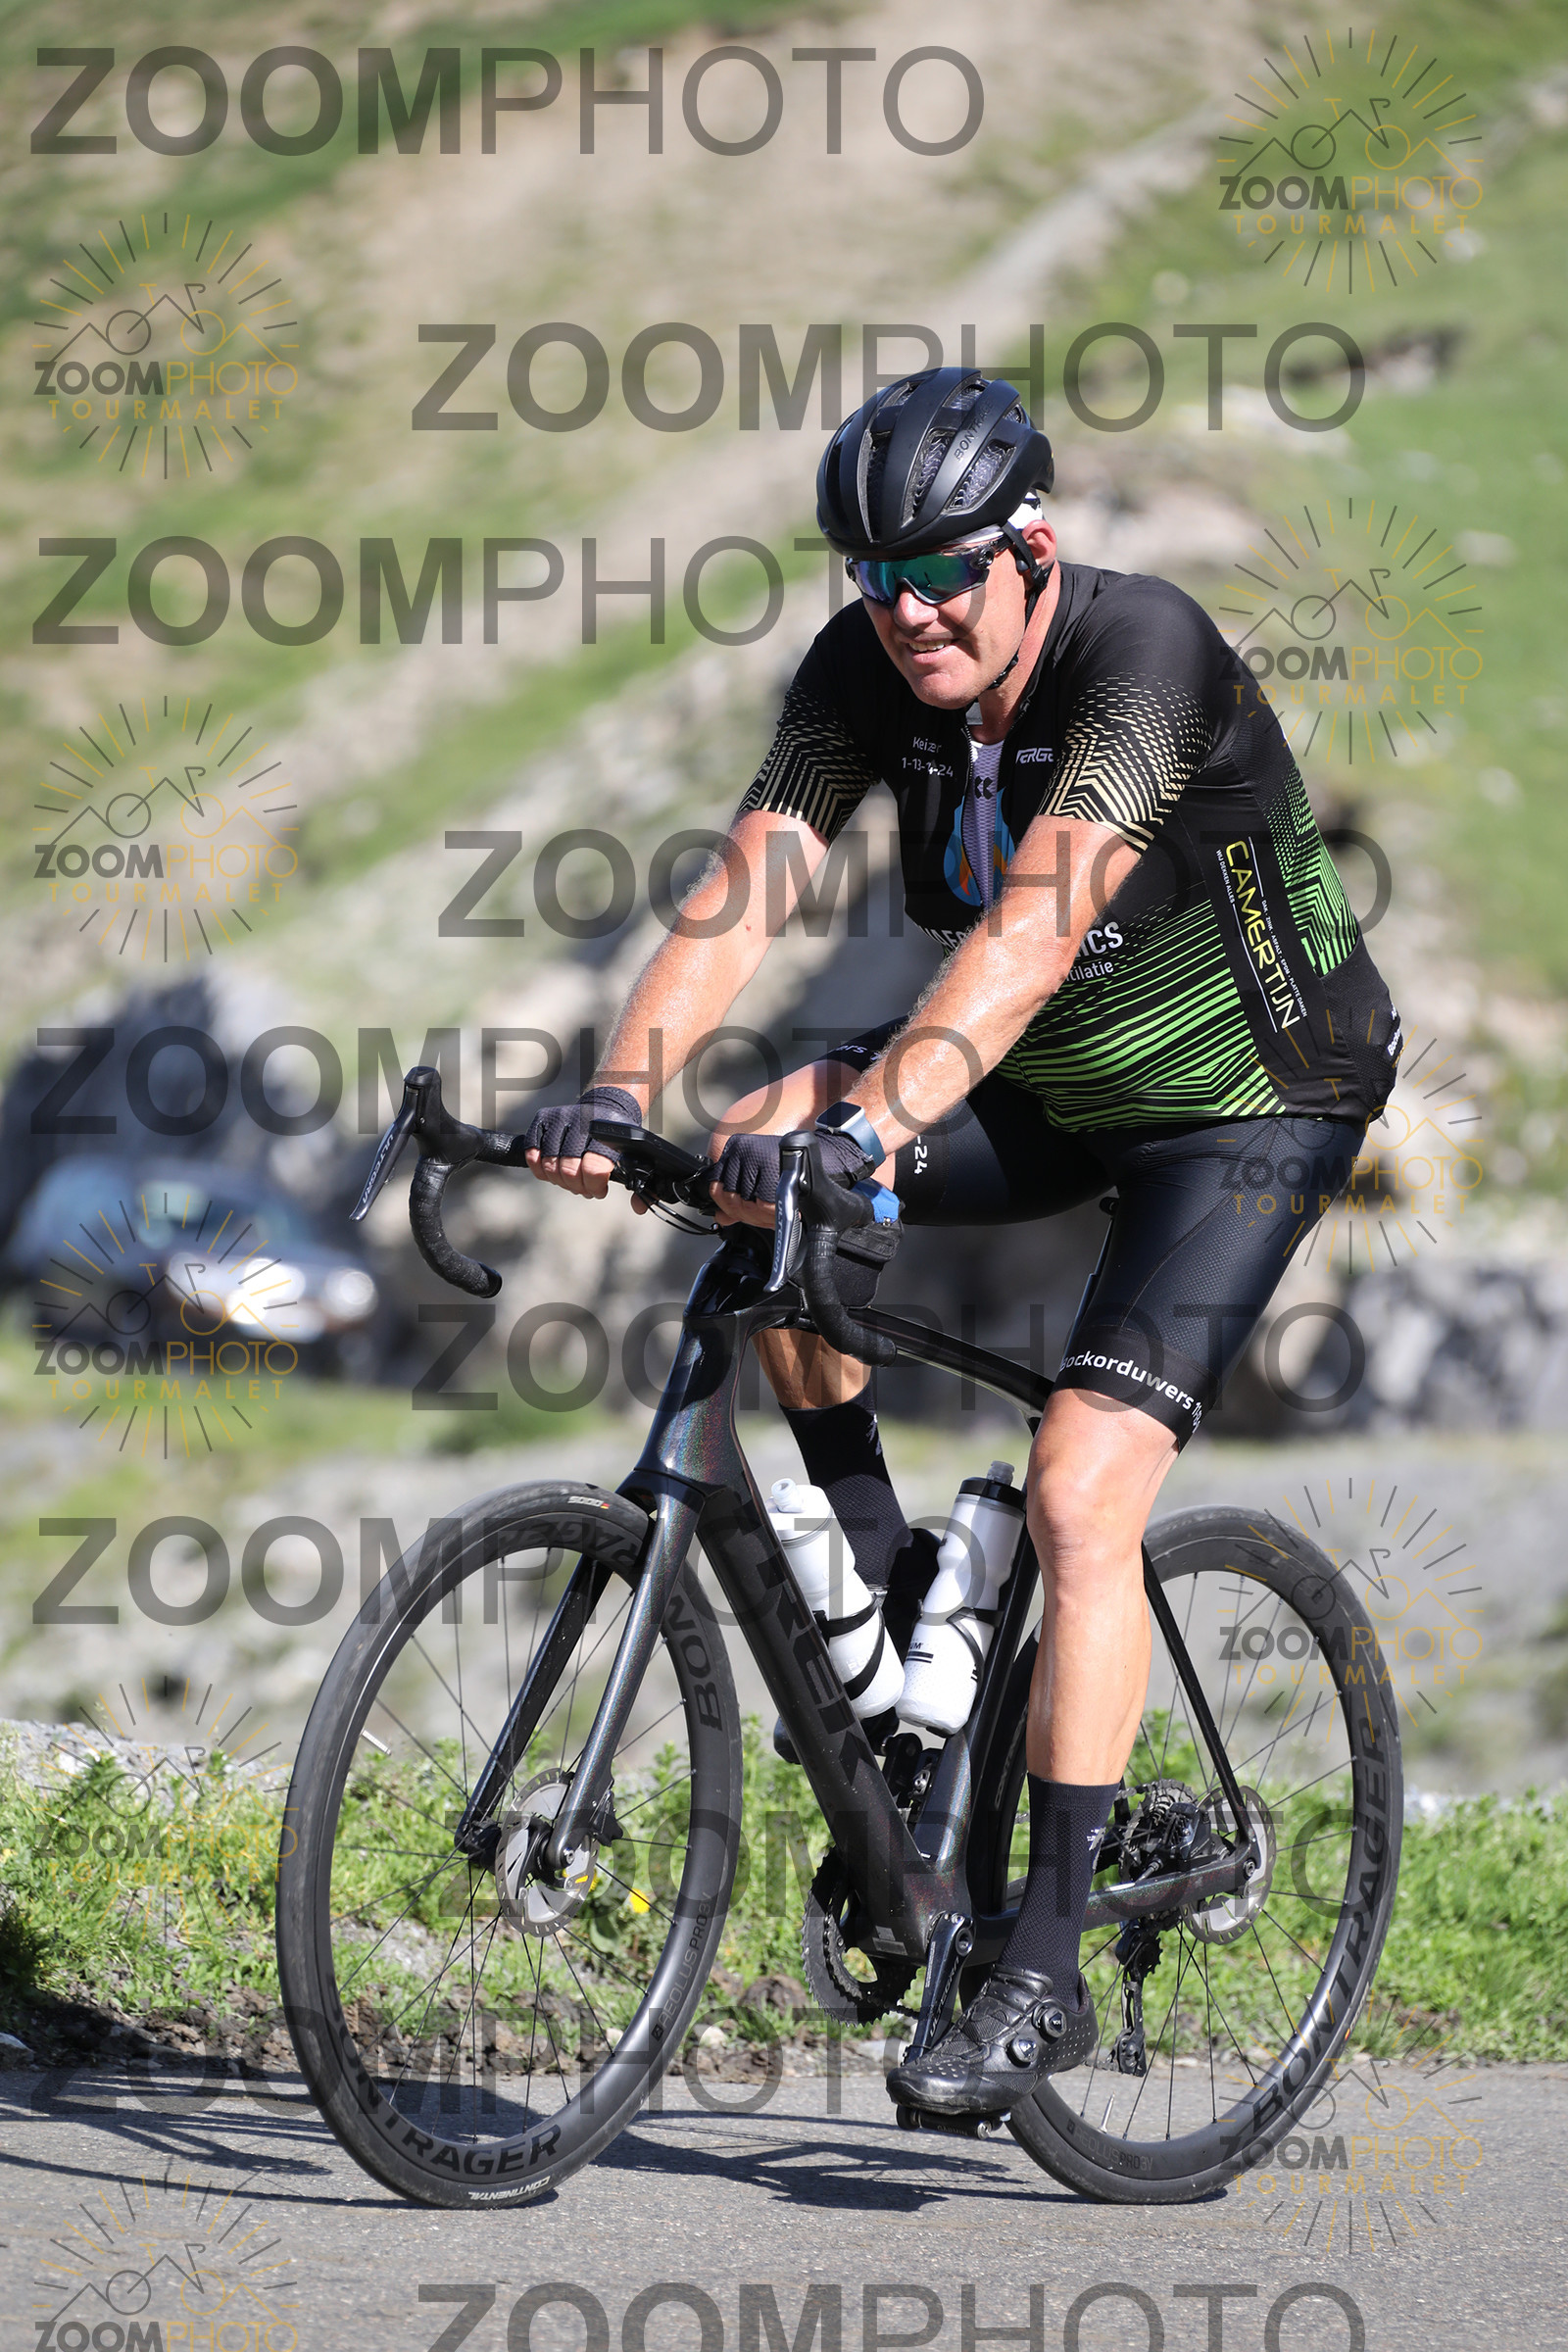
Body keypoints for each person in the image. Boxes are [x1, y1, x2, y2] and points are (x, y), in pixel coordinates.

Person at [525, 368, 1399, 2118]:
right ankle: (898, 1575)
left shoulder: (1143, 657)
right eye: (876, 576)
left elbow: (1032, 930)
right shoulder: (866, 669)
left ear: (1032, 552)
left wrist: (876, 1127)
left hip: (1249, 1101)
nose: (909, 609)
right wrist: (619, 1093)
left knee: (1082, 1488)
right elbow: (748, 885)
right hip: (1051, 1081)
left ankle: (1044, 1967)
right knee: (756, 1163)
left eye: (942, 573)